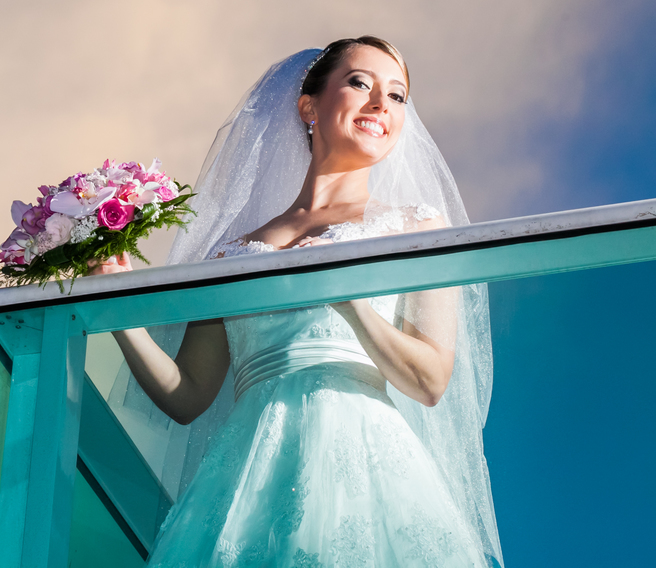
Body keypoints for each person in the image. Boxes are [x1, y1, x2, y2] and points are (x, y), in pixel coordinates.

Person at [92, 38, 502, 567]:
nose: (382, 104)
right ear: (309, 106)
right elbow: (187, 395)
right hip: (247, 480)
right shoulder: (231, 254)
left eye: (398, 96)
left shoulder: (415, 226)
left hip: (365, 463)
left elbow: (430, 380)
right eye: (360, 83)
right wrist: (116, 306)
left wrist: (350, 303)